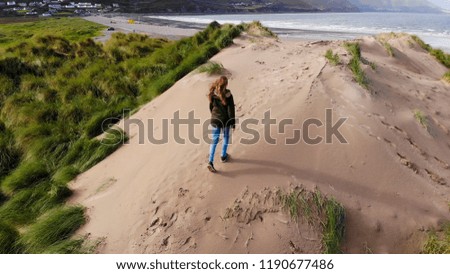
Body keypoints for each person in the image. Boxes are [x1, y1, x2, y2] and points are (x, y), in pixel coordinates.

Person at [207, 76, 236, 173]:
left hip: (214, 119)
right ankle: (223, 156)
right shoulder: (228, 94)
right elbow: (230, 110)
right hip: (225, 120)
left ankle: (210, 161)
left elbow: (211, 107)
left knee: (214, 140)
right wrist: (232, 122)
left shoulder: (213, 93)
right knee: (226, 137)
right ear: (226, 84)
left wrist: (214, 116)